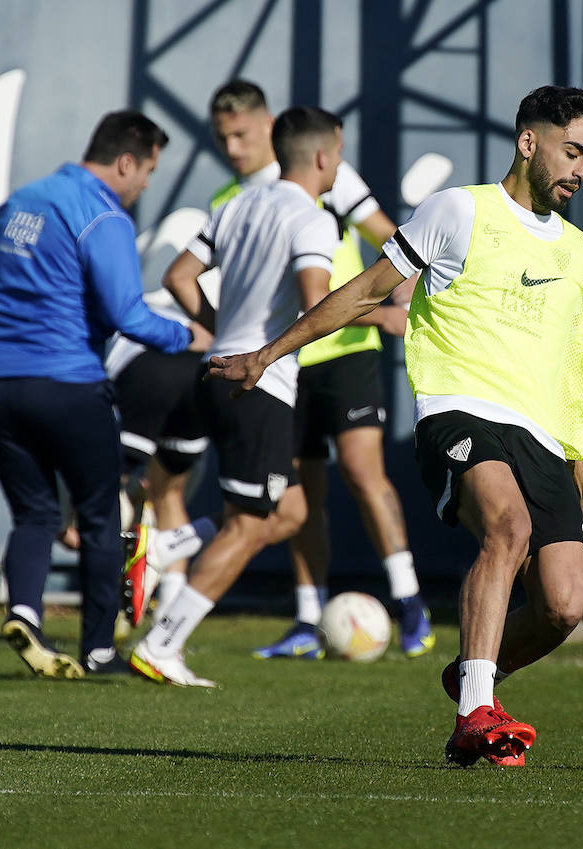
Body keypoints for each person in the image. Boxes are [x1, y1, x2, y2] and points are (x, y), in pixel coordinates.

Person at [207, 85, 583, 766]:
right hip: (461, 409)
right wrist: (267, 353)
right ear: (528, 142)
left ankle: (472, 676)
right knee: (506, 526)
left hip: (547, 434)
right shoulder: (460, 209)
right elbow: (366, 289)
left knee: (563, 606)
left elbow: (573, 370)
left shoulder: (579, 249)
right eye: (572, 151)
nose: (581, 169)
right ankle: (475, 712)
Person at [129, 106, 387, 688]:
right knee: (248, 525)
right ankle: (162, 644)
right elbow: (316, 303)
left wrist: (224, 334)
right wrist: (368, 309)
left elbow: (177, 276)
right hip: (260, 384)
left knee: (288, 511)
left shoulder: (235, 204)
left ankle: (166, 544)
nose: (339, 165)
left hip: (218, 373)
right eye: (339, 155)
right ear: (324, 157)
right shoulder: (313, 219)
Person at [205, 80, 432, 662]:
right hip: (283, 364)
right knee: (301, 493)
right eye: (223, 137)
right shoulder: (231, 200)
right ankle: (309, 615)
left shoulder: (326, 176)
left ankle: (409, 603)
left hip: (346, 350)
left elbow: (393, 242)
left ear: (271, 128)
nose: (233, 147)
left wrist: (394, 307)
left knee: (363, 473)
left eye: (242, 133)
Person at [0, 111, 194, 678]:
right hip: (68, 385)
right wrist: (191, 336)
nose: (146, 185)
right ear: (126, 161)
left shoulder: (20, 202)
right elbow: (127, 314)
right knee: (97, 517)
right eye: (148, 172)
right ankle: (98, 650)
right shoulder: (102, 216)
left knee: (34, 514)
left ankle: (24, 611)